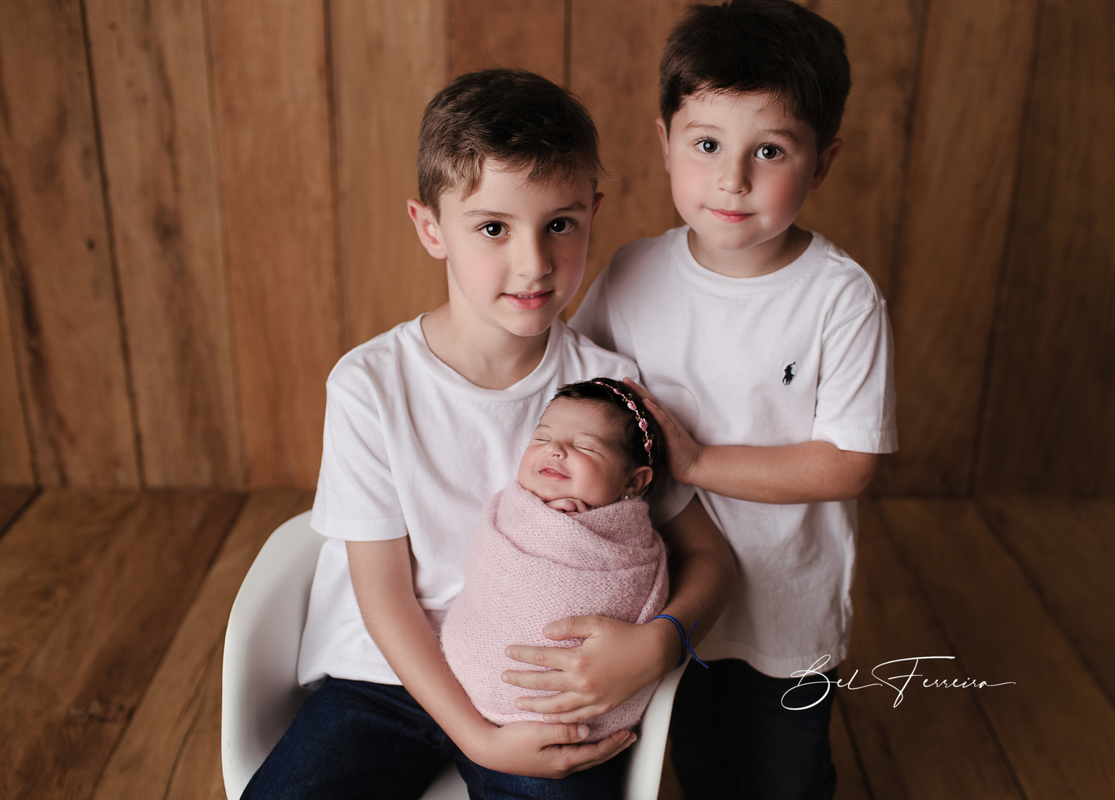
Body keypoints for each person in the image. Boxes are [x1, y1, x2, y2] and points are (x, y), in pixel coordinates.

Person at [241, 69, 734, 800]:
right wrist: (476, 736)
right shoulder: (371, 384)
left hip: (537, 683)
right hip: (387, 680)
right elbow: (384, 597)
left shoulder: (609, 389)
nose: (533, 263)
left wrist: (658, 645)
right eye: (493, 228)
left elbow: (712, 559)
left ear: (592, 214)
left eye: (560, 224)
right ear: (431, 228)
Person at [571, 2, 898, 798]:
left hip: (786, 606)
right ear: (665, 143)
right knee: (703, 763)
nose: (732, 179)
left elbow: (849, 462)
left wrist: (699, 461)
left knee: (786, 773)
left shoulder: (838, 298)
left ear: (822, 162)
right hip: (667, 594)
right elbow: (580, 390)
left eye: (770, 151)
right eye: (708, 144)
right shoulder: (633, 274)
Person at [441, 378, 670, 743]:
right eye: (542, 438)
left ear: (633, 482)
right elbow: (488, 582)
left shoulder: (631, 544)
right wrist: (550, 523)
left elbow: (629, 599)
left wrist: (575, 528)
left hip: (569, 723)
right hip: (453, 694)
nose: (555, 450)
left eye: (585, 446)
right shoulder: (510, 510)